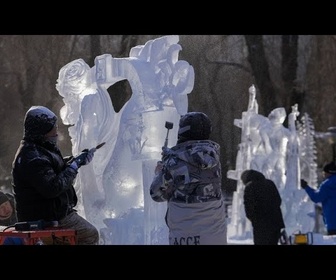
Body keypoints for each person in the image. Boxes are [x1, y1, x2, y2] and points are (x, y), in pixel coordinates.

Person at [11, 105, 99, 245]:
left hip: (53, 213)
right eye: (53, 128)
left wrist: (74, 160)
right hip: (45, 218)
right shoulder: (32, 157)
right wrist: (73, 167)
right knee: (90, 234)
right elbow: (53, 187)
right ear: (42, 130)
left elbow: (51, 169)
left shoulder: (38, 149)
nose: (56, 132)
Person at [150, 112, 227, 245]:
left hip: (186, 237)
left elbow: (156, 194)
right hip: (215, 236)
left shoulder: (173, 162)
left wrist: (160, 172)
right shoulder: (215, 160)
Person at [241, 169, 286, 245]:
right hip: (275, 222)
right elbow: (278, 200)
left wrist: (254, 219)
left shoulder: (250, 187)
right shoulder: (270, 183)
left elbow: (249, 207)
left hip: (260, 224)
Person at [300, 161, 336, 235]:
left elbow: (316, 197)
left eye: (324, 173)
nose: (324, 175)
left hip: (333, 223)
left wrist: (306, 187)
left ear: (329, 173)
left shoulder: (327, 185)